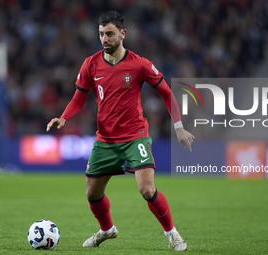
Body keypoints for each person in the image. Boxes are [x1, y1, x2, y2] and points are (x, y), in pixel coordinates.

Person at [47, 10, 194, 252]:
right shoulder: (90, 64)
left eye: (110, 34)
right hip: (105, 139)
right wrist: (63, 118)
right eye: (101, 34)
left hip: (134, 136)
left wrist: (178, 127)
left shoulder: (140, 64)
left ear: (122, 34)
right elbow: (77, 99)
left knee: (147, 189)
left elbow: (168, 94)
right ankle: (106, 230)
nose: (104, 39)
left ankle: (172, 233)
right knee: (92, 193)